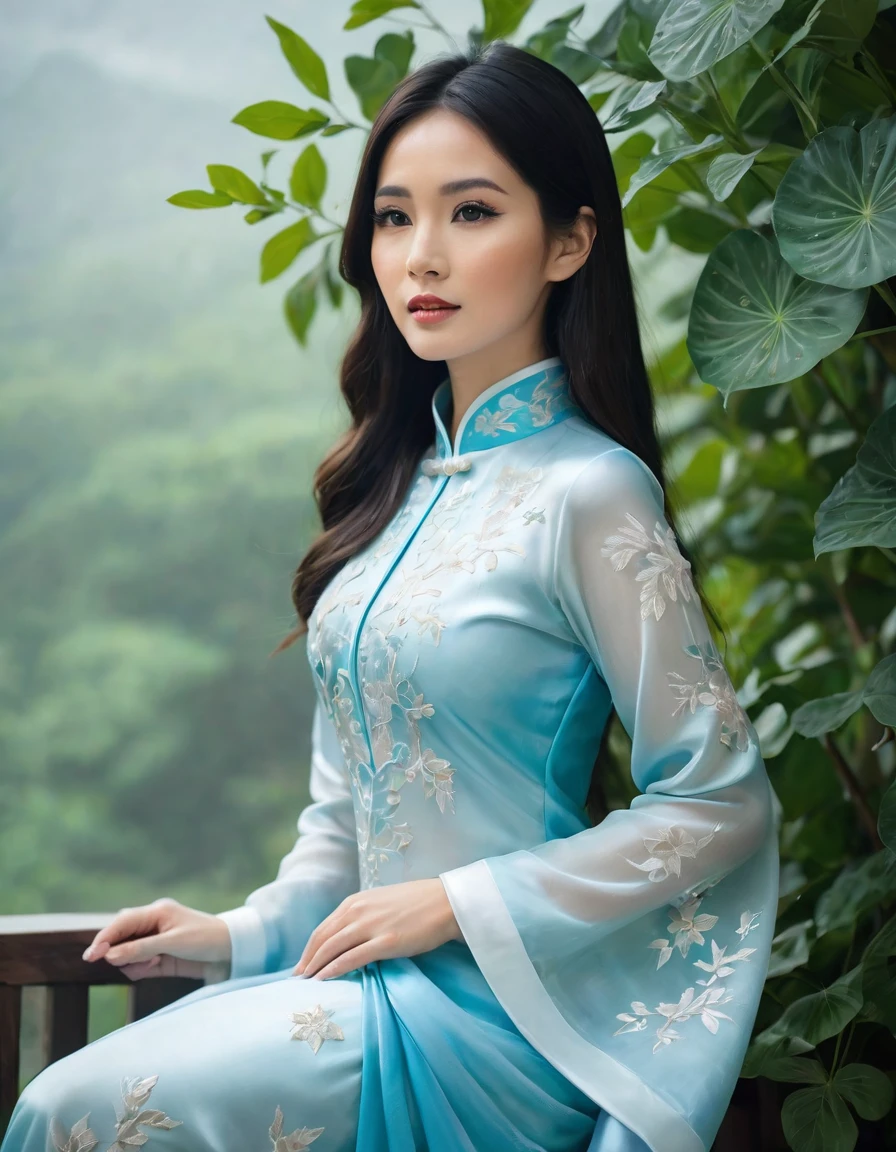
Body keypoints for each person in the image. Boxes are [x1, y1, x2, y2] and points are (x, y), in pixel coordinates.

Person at [2, 39, 779, 1152]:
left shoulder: (590, 494)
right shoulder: (390, 496)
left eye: (470, 214)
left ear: (568, 242)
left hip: (500, 1016)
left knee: (72, 1111)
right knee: (64, 1105)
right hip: (367, 995)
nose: (421, 257)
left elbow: (717, 803)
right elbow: (340, 839)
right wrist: (230, 935)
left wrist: (455, 905)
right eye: (391, 217)